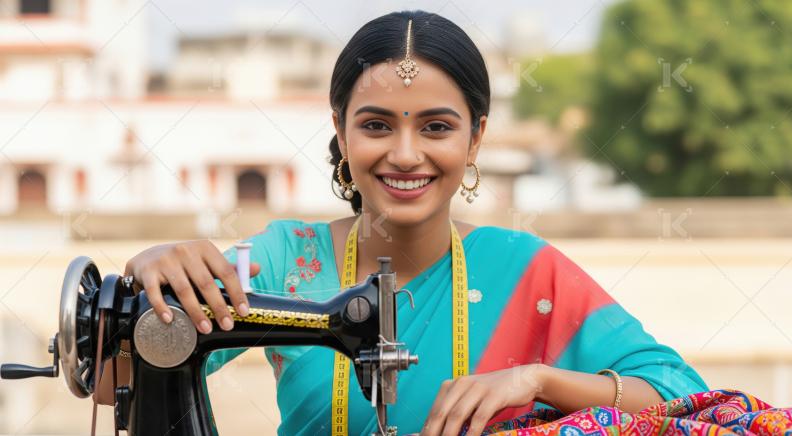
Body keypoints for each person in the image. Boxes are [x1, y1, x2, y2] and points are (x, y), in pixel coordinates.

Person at [102, 10, 707, 436]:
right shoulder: (282, 259)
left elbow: (679, 395)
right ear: (340, 131)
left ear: (477, 138)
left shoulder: (526, 270)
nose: (406, 154)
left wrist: (536, 381)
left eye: (437, 127)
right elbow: (115, 386)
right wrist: (146, 289)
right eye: (376, 125)